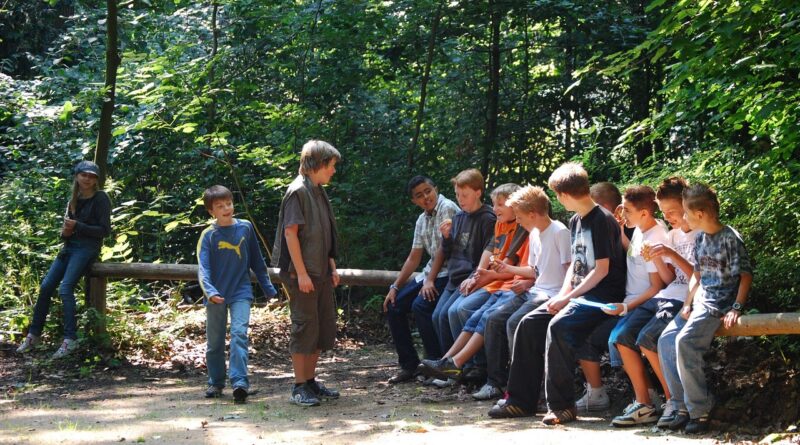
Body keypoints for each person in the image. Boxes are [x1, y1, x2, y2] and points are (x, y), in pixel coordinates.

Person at [488, 162, 626, 425]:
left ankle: (562, 406)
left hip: (601, 297)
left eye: (557, 195)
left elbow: (601, 270)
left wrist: (568, 298)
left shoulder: (602, 220)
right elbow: (575, 269)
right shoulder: (575, 221)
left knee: (559, 327)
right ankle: (519, 401)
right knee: (527, 324)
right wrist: (560, 296)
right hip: (577, 294)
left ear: (564, 194)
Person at [657, 183, 752, 434]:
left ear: (699, 214)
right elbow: (697, 277)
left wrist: (736, 307)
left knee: (684, 343)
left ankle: (700, 409)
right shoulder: (700, 237)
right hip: (699, 301)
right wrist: (687, 303)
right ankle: (681, 406)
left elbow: (745, 275)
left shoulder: (730, 237)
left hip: (718, 304)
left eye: (686, 213)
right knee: (666, 340)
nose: (683, 218)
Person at [419, 183, 528, 382]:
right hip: (489, 281)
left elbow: (508, 268)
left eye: (500, 205)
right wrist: (477, 276)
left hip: (504, 285)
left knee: (464, 310)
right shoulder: (498, 222)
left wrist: (481, 277)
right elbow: (490, 250)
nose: (495, 209)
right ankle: (450, 364)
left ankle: (476, 368)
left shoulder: (521, 228)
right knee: (450, 312)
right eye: (494, 204)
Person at [472, 185, 571, 400]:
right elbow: (534, 270)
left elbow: (570, 270)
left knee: (514, 322)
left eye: (519, 216)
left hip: (551, 294)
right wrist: (508, 270)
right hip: (535, 291)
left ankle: (524, 388)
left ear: (533, 214)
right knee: (494, 319)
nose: (517, 221)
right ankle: (496, 382)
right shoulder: (534, 233)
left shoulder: (560, 232)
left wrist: (563, 297)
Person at [272, 140, 343, 407]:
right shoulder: (297, 192)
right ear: (318, 164)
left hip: (320, 272)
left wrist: (332, 268)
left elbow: (324, 235)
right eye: (331, 166)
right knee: (304, 327)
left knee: (320, 328)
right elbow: (291, 234)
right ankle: (299, 386)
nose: (333, 171)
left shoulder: (318, 190)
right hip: (301, 273)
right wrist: (301, 273)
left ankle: (311, 381)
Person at [16, 160, 111, 359]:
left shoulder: (101, 198)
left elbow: (104, 231)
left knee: (65, 288)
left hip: (87, 248)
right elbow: (66, 235)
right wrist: (66, 231)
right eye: (84, 175)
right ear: (77, 176)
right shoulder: (73, 200)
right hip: (69, 248)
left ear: (96, 180)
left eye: (92, 176)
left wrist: (77, 226)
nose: (87, 179)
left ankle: (70, 339)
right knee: (46, 286)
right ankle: (34, 335)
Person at [197, 185, 277, 403]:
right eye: (220, 206)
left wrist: (268, 288)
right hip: (215, 295)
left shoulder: (245, 228)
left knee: (240, 334)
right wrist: (211, 292)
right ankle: (215, 382)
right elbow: (203, 270)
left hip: (241, 291)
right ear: (211, 211)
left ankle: (240, 382)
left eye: (229, 204)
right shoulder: (208, 236)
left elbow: (257, 261)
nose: (226, 209)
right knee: (215, 342)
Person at [601, 185, 670, 426]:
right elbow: (632, 252)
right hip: (633, 300)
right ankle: (648, 397)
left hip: (647, 301)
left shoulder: (655, 236)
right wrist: (621, 230)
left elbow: (657, 286)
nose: (622, 213)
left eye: (627, 210)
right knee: (616, 337)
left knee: (621, 337)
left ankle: (647, 402)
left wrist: (626, 306)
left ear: (644, 213)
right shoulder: (641, 229)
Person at [383, 175, 459, 384]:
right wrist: (395, 286)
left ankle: (436, 364)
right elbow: (414, 257)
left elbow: (444, 250)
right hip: (430, 274)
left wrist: (430, 281)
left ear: (436, 188)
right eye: (419, 195)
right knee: (394, 304)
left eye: (428, 191)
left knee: (421, 306)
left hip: (450, 273)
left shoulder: (447, 207)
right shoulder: (422, 219)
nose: (426, 197)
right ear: (413, 201)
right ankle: (410, 366)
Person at [426, 169, 496, 360]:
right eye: (457, 194)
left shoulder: (488, 218)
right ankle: (446, 365)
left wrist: (474, 277)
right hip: (454, 277)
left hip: (470, 276)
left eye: (464, 195)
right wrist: (447, 237)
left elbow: (487, 254)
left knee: (452, 313)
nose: (460, 199)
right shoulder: (458, 217)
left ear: (478, 192)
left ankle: (466, 365)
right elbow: (449, 252)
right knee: (437, 316)